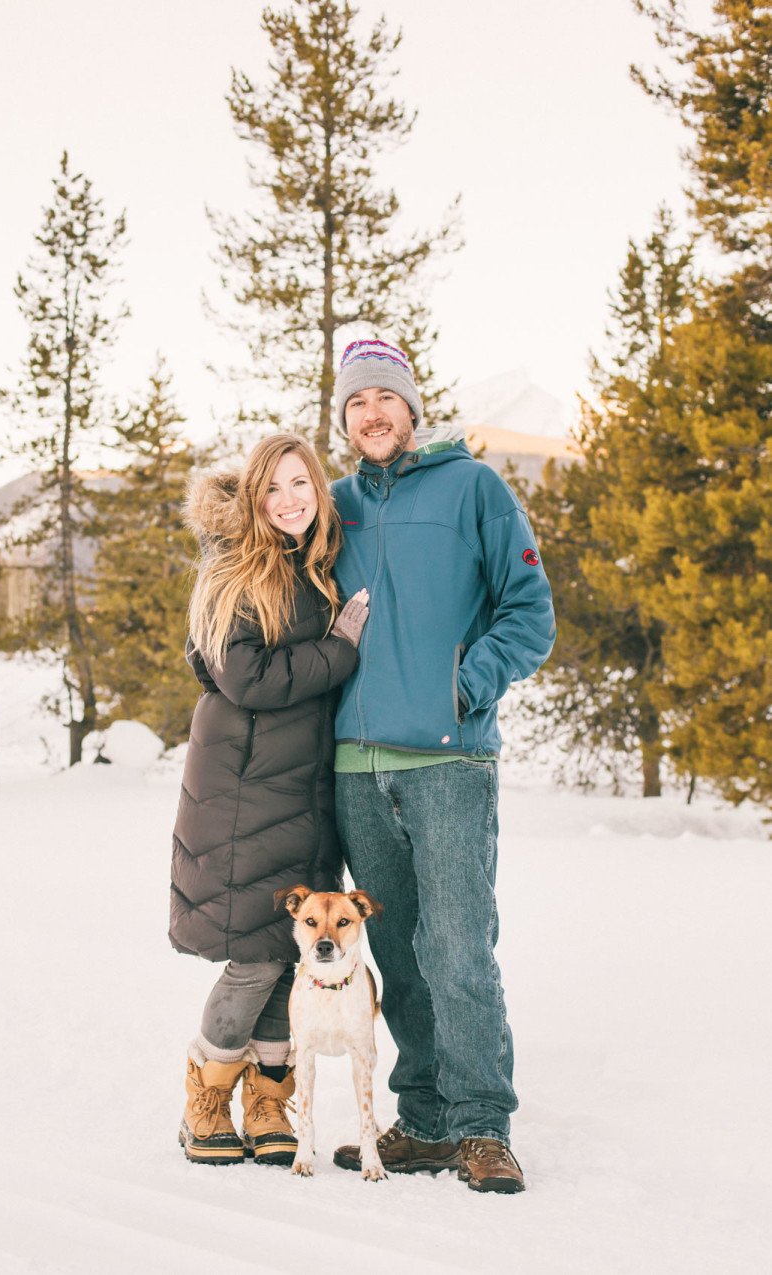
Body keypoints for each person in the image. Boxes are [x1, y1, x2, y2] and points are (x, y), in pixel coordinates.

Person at [328, 339, 556, 1193]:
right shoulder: (334, 504)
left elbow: (530, 613)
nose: (374, 413)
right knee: (394, 944)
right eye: (357, 403)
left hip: (450, 761)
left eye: (386, 398)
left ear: (411, 409)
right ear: (344, 419)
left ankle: (481, 1124)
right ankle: (423, 1119)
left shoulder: (473, 488)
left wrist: (465, 686)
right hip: (355, 764)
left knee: (458, 946)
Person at [170, 433, 369, 1167]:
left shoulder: (311, 569)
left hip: (303, 791)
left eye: (301, 485)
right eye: (272, 489)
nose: (288, 500)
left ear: (318, 492)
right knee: (253, 958)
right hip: (243, 794)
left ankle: (267, 1102)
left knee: (288, 961)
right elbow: (247, 678)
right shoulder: (232, 571)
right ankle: (207, 1097)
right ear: (253, 499)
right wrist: (340, 649)